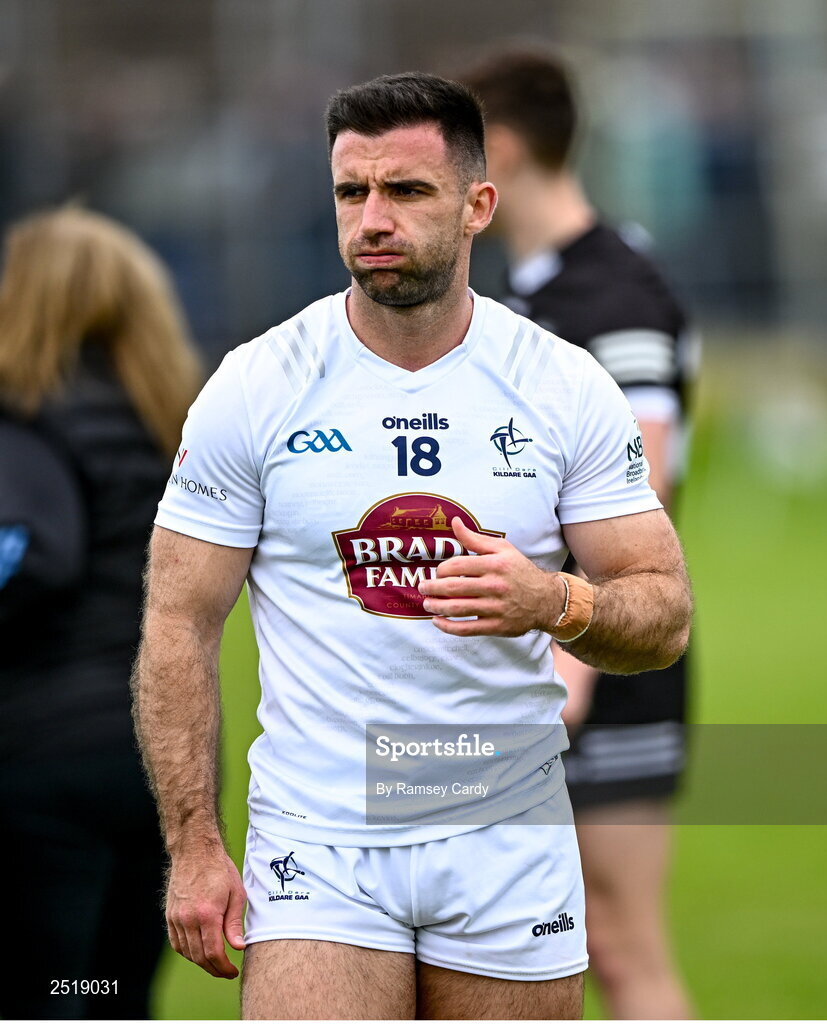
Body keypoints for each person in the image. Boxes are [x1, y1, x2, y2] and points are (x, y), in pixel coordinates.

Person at [131, 72, 692, 1022]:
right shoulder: (257, 385)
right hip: (321, 839)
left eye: (407, 191)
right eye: (353, 192)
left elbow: (662, 610)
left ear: (479, 204)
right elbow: (178, 624)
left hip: (506, 832)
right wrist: (193, 846)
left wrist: (555, 603)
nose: (373, 218)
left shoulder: (562, 386)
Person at [462, 51, 695, 1019]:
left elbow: (648, 484)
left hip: (596, 662)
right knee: (524, 938)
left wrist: (578, 667)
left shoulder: (613, 295)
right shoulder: (533, 291)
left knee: (619, 941)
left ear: (503, 152)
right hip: (530, 654)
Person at [0, 206, 202, 1019]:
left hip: (41, 760)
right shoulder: (174, 427)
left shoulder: (21, 417)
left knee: (45, 997)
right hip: (160, 758)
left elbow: (28, 553)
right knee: (112, 993)